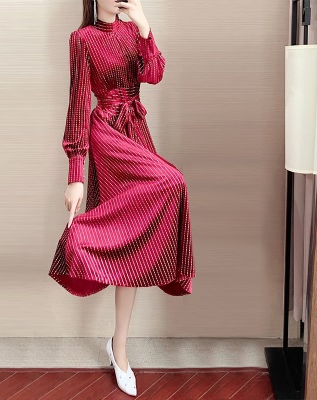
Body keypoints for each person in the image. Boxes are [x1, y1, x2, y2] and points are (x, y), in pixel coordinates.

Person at [48, 0, 196, 395]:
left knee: (139, 228)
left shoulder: (133, 31)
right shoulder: (81, 39)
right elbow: (78, 103)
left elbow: (154, 74)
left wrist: (145, 27)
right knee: (170, 183)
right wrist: (75, 175)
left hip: (136, 129)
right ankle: (78, 243)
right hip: (107, 134)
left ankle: (119, 346)